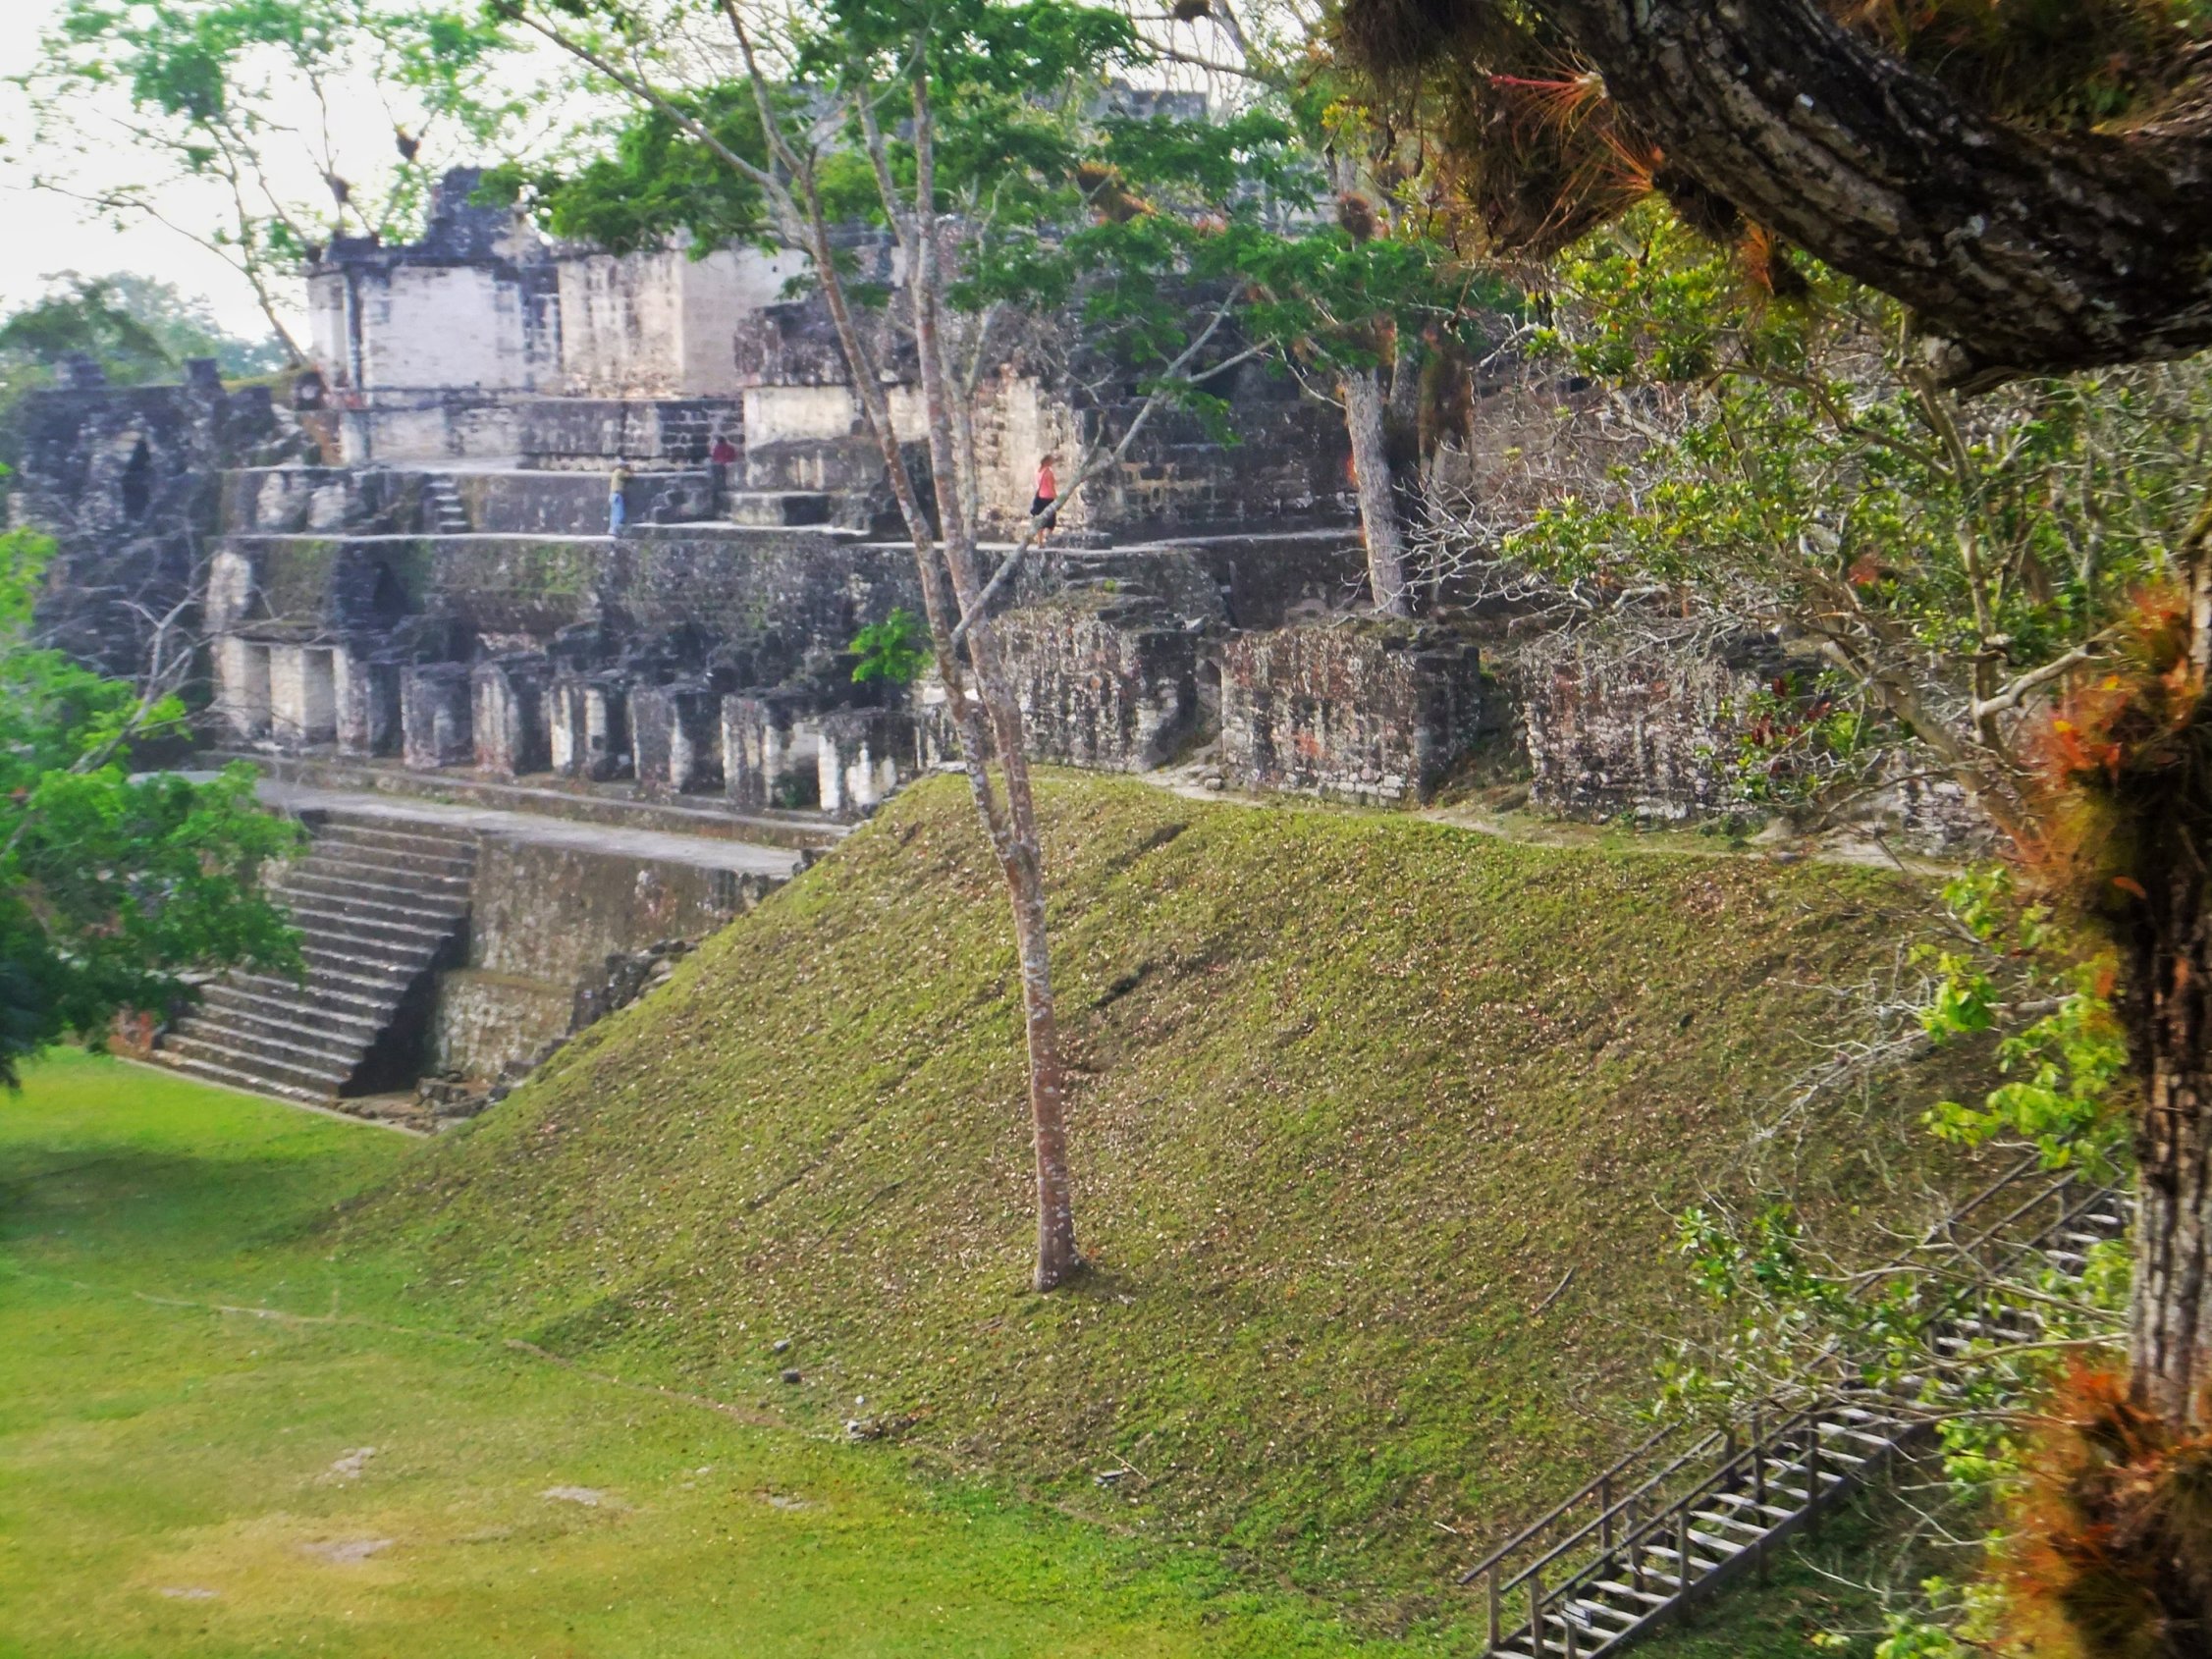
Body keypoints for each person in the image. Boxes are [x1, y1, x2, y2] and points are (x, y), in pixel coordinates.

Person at [1030, 454, 1059, 540]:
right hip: (1049, 497)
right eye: (1051, 460)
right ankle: (1048, 539)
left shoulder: (1038, 472)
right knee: (1051, 521)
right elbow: (1051, 486)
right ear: (1047, 462)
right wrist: (1056, 496)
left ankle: (1040, 541)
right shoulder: (1048, 472)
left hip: (1040, 497)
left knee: (1040, 520)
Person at [608, 463, 632, 535]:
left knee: (614, 513)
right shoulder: (619, 471)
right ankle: (615, 530)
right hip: (617, 495)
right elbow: (629, 476)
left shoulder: (615, 472)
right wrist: (630, 470)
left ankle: (612, 530)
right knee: (619, 514)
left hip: (613, 495)